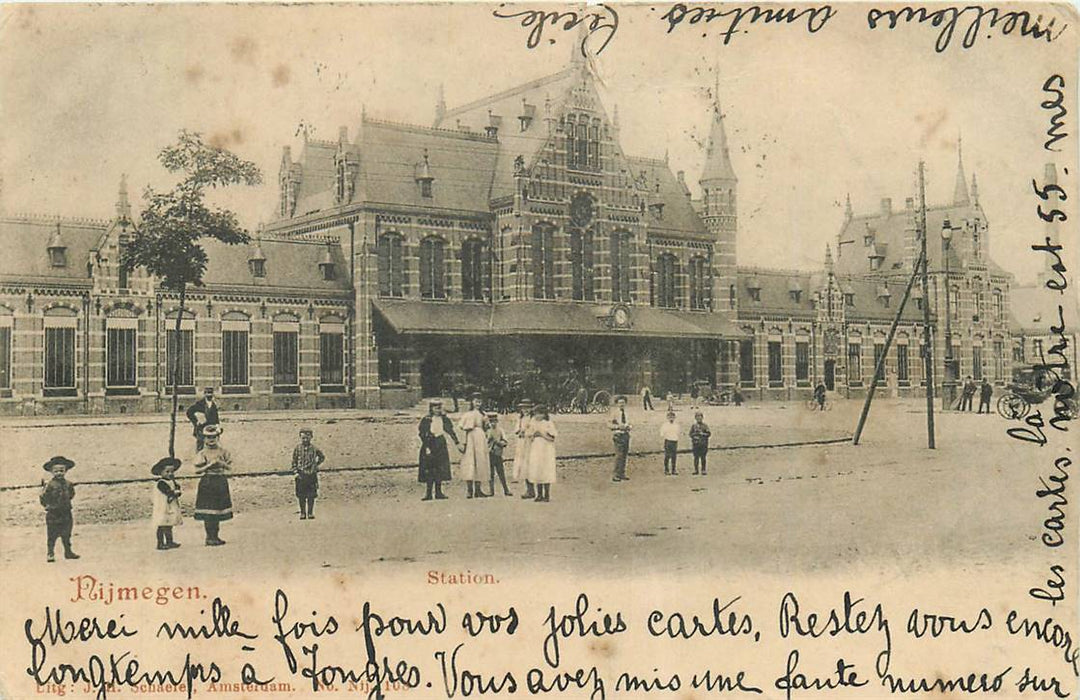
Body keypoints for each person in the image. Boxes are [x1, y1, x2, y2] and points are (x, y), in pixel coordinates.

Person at [193, 424, 232, 546]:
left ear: (218, 437)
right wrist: (209, 465)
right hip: (208, 481)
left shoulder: (224, 452)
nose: (211, 440)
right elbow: (197, 470)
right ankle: (209, 537)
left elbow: (230, 467)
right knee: (209, 510)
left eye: (214, 437)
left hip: (220, 481)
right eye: (208, 437)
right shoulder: (202, 453)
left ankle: (215, 536)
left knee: (218, 510)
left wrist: (221, 463)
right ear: (204, 439)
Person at [39, 456, 79, 562]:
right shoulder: (49, 485)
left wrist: (65, 503)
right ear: (52, 472)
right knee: (52, 534)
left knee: (67, 533)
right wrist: (48, 505)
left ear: (66, 471)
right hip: (53, 513)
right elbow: (43, 497)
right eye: (56, 471)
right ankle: (50, 553)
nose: (59, 473)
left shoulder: (68, 484)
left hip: (66, 512)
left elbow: (71, 494)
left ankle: (68, 552)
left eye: (62, 470)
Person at [418, 400, 459, 501]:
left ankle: (438, 492)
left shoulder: (444, 419)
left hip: (440, 443)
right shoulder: (427, 419)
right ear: (431, 409)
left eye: (439, 408)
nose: (437, 410)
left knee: (440, 468)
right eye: (435, 408)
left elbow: (450, 431)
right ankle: (428, 493)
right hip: (429, 443)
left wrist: (457, 442)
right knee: (429, 468)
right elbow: (422, 433)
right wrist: (426, 445)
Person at [458, 394, 491, 498]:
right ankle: (469, 490)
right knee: (470, 461)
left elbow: (486, 428)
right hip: (471, 438)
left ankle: (478, 490)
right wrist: (463, 442)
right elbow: (463, 428)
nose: (478, 404)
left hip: (480, 438)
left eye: (480, 402)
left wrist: (486, 424)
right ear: (472, 402)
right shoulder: (468, 414)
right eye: (476, 401)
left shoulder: (484, 414)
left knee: (480, 461)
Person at [292, 428, 325, 520]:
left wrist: (316, 465)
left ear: (311, 437)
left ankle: (310, 513)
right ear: (300, 438)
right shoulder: (297, 448)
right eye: (303, 438)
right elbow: (294, 461)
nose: (305, 440)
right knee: (301, 495)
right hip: (301, 474)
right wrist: (295, 472)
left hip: (311, 475)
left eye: (307, 438)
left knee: (311, 494)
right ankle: (303, 513)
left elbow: (322, 457)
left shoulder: (314, 448)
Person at [151, 457, 183, 550]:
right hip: (163, 506)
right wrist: (174, 492)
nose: (170, 474)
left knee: (169, 524)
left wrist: (178, 490)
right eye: (167, 472)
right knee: (162, 524)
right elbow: (168, 491)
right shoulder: (161, 483)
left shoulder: (172, 481)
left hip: (170, 506)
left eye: (172, 471)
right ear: (161, 472)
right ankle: (160, 543)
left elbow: (177, 489)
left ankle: (169, 541)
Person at [528, 405, 557, 502]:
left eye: (539, 414)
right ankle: (539, 494)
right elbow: (529, 435)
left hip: (546, 449)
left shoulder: (548, 423)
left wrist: (541, 434)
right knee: (537, 469)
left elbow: (552, 438)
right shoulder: (533, 422)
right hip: (536, 449)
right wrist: (532, 436)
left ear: (544, 414)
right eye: (535, 414)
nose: (537, 416)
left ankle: (546, 494)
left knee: (546, 470)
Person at [512, 400, 536, 499]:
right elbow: (516, 430)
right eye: (524, 408)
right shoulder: (520, 418)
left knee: (531, 464)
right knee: (523, 465)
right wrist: (520, 431)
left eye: (528, 408)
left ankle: (533, 489)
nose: (526, 410)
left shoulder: (533, 419)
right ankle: (529, 489)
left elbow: (534, 430)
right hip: (522, 443)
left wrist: (526, 432)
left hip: (530, 443)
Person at [185, 387, 221, 451]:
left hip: (210, 429)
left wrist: (217, 425)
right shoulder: (199, 404)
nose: (209, 395)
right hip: (201, 429)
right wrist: (196, 421)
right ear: (204, 394)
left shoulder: (213, 405)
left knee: (211, 445)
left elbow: (216, 417)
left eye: (210, 393)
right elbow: (189, 412)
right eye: (207, 393)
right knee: (200, 446)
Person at [486, 412, 512, 497]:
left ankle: (506, 489)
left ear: (497, 421)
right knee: (490, 473)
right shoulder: (487, 431)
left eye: (494, 421)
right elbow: (483, 443)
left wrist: (498, 442)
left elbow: (505, 442)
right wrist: (489, 441)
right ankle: (491, 490)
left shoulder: (500, 430)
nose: (493, 423)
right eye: (491, 421)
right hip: (489, 453)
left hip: (498, 454)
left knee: (501, 472)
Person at [610, 395, 632, 483]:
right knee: (619, 455)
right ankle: (615, 474)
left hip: (626, 435)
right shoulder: (614, 413)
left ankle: (622, 473)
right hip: (618, 435)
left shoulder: (626, 413)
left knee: (624, 455)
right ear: (617, 404)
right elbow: (609, 425)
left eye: (623, 403)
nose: (621, 404)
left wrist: (629, 426)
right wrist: (618, 426)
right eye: (620, 403)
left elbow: (630, 423)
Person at [659, 411, 681, 476]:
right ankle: (666, 470)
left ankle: (673, 470)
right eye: (670, 417)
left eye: (673, 417)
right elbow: (662, 433)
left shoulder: (676, 425)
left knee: (674, 456)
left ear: (675, 418)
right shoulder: (665, 425)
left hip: (674, 441)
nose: (671, 418)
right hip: (668, 441)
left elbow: (678, 433)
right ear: (667, 417)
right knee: (667, 456)